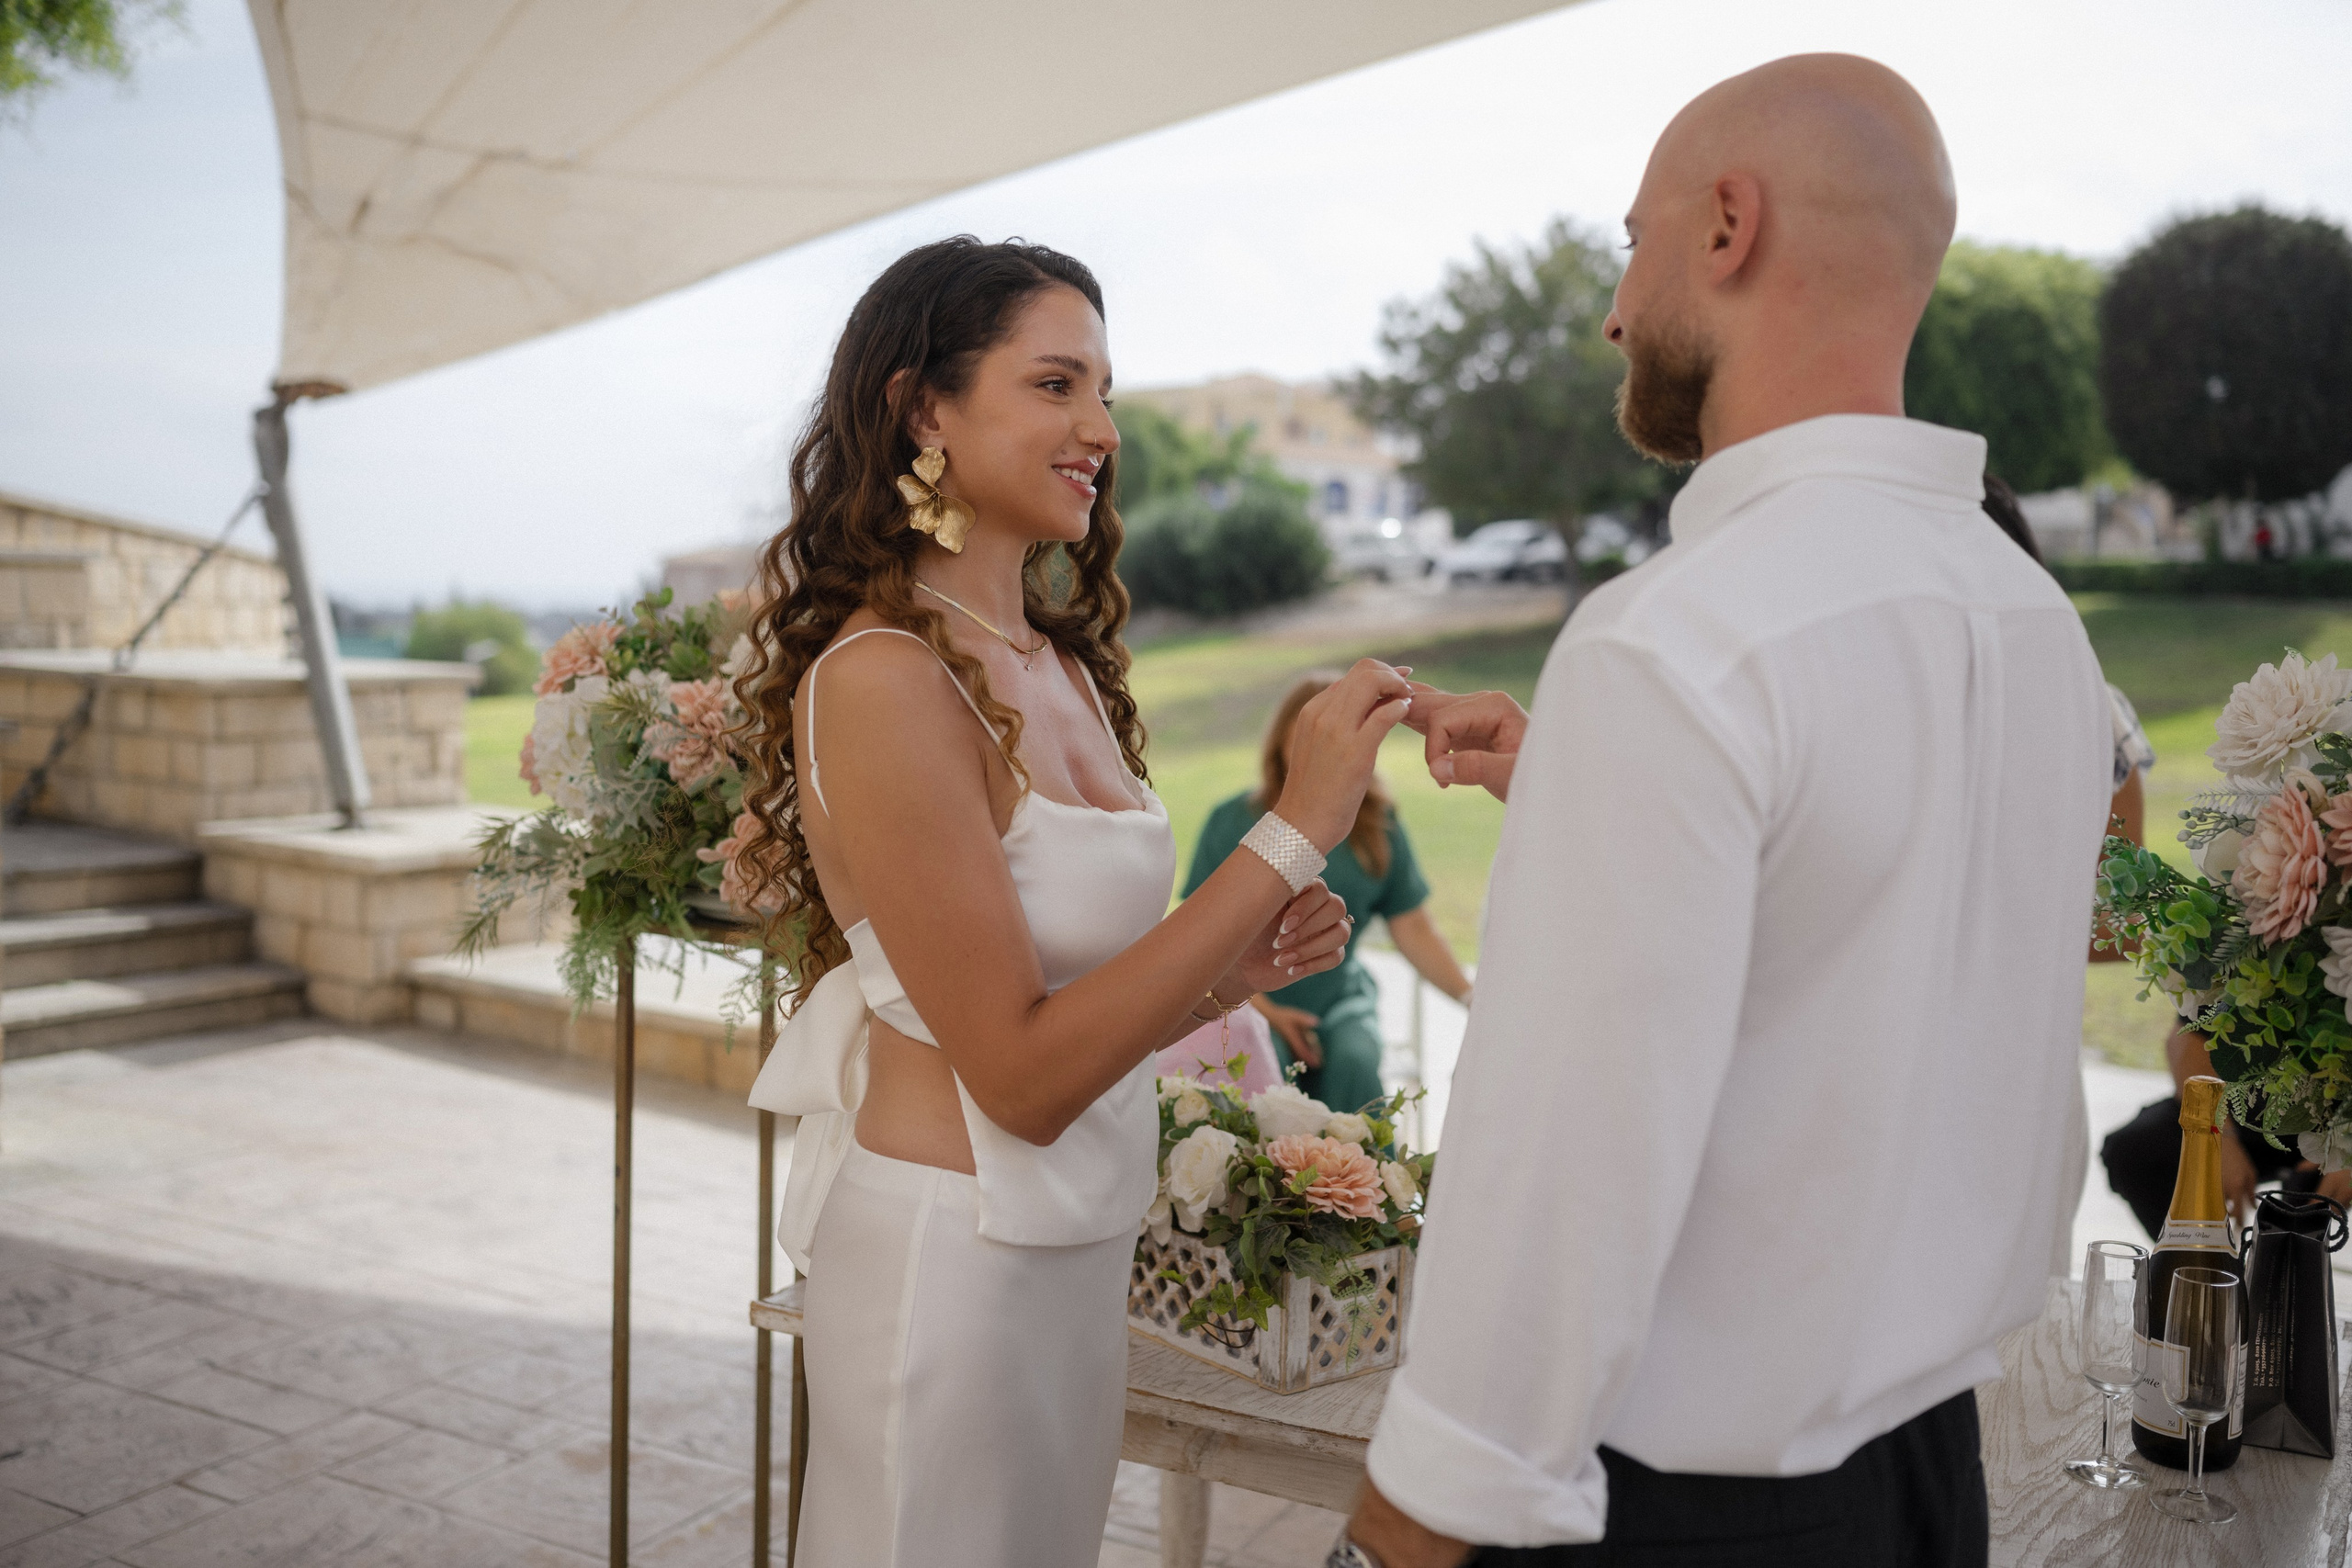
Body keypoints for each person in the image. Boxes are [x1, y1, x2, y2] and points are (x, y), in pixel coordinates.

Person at [1334, 56, 2110, 1567]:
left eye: (1634, 242)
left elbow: (1564, 1170)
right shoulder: (2032, 621)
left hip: (1685, 1520)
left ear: (1728, 228)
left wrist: (1400, 1527)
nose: (1617, 310)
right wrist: (1591, 778)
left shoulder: (1676, 641)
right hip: (1935, 1489)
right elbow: (1868, 920)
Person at [729, 237, 1410, 1568]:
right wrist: (1291, 829)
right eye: (1055, 384)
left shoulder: (1061, 667)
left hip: (1077, 1245)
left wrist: (1227, 973)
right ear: (921, 405)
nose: (1100, 428)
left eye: (1102, 388)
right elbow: (1021, 1074)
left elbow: (1076, 1003)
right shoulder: (881, 678)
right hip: (954, 1256)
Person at [1980, 477, 2352, 1229]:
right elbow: (2198, 996)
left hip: (2008, 1053)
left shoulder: (2084, 706)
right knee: (2143, 1154)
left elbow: (2118, 922)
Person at [1185, 673, 1475, 1113]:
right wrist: (1264, 1011)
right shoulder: (1230, 822)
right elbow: (1198, 937)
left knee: (1356, 1062)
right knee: (1262, 1065)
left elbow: (1413, 927)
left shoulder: (1377, 825)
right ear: (1282, 744)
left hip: (1341, 1000)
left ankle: (1363, 1181)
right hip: (1246, 998)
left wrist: (1472, 999)